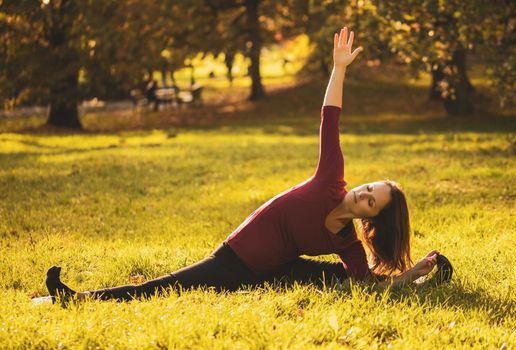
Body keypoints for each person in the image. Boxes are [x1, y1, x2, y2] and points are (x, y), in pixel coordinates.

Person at [45, 27, 440, 303]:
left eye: (371, 202)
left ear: (372, 218)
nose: (363, 195)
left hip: (277, 269)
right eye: (369, 188)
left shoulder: (346, 242)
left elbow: (369, 285)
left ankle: (421, 285)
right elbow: (330, 117)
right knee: (165, 285)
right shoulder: (330, 179)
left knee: (347, 279)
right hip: (234, 260)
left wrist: (414, 272)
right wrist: (339, 68)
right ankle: (77, 297)